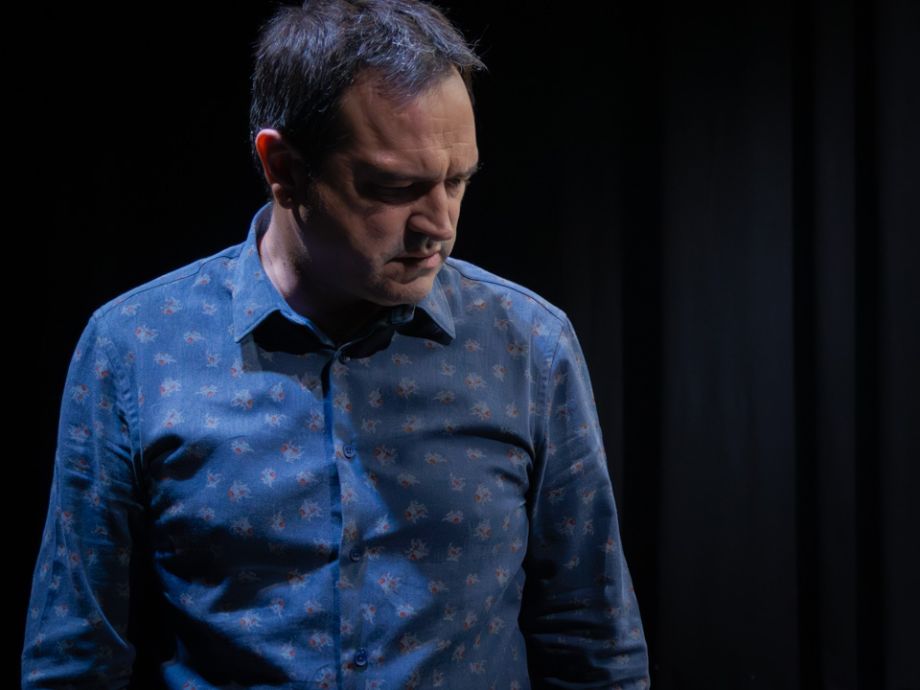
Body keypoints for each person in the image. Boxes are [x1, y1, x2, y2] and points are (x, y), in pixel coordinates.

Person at [21, 1, 650, 687]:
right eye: (395, 187)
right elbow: (75, 658)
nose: (440, 225)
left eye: (457, 181)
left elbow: (593, 641)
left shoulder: (528, 345)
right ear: (284, 168)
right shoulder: (134, 350)